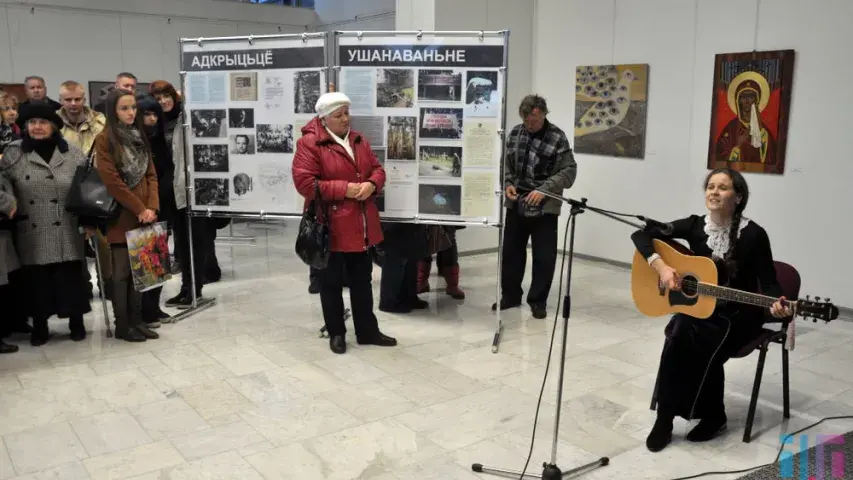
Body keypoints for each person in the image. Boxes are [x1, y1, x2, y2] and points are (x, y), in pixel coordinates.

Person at [630, 167, 792, 452]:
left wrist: (780, 307)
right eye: (710, 186)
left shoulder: (754, 235)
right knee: (680, 334)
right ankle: (665, 419)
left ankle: (713, 415)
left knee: (700, 338)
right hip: (703, 308)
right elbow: (641, 235)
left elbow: (769, 284)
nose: (714, 192)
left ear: (738, 196)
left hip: (740, 315)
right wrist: (663, 267)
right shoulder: (695, 226)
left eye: (723, 187)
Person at [292, 92, 396, 354]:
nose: (345, 119)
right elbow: (305, 184)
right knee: (330, 284)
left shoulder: (358, 140)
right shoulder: (309, 143)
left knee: (362, 281)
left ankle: (367, 331)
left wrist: (372, 184)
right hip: (331, 227)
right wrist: (346, 189)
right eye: (339, 115)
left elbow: (378, 169)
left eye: (347, 113)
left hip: (360, 225)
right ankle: (336, 332)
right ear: (324, 119)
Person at [0, 102, 93, 345]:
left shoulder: (72, 152)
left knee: (70, 278)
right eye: (32, 123)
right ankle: (40, 325)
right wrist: (7, 202)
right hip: (32, 225)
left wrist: (89, 219)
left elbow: (86, 187)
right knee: (37, 282)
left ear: (53, 126)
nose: (37, 127)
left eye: (42, 122)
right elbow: (2, 181)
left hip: (67, 224)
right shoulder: (14, 152)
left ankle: (76, 322)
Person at [494, 94, 577, 319]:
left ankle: (538, 300)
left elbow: (569, 172)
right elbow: (504, 165)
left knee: (544, 256)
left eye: (536, 120)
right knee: (511, 253)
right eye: (528, 121)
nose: (531, 125)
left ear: (543, 114)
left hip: (545, 206)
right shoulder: (514, 133)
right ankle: (510, 296)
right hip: (516, 203)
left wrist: (544, 190)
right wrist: (508, 183)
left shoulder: (557, 137)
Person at [94, 90, 160, 342]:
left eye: (133, 108)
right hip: (122, 215)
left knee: (140, 272)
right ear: (113, 111)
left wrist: (152, 207)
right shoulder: (105, 139)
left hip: (146, 215)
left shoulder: (139, 135)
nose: (131, 113)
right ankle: (122, 324)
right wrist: (139, 208)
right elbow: (112, 181)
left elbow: (151, 174)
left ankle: (137, 320)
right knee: (121, 275)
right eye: (124, 108)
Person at [137, 95, 175, 326]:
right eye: (146, 114)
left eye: (154, 115)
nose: (151, 119)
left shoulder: (161, 141)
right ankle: (143, 309)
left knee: (158, 261)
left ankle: (154, 306)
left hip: (162, 207)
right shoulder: (135, 142)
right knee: (142, 262)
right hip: (140, 209)